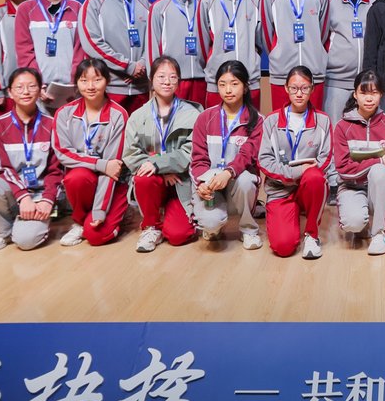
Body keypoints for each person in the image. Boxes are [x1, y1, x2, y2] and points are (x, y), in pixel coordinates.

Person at [0, 66, 62, 251]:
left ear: (40, 90)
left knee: (26, 241)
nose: (26, 92)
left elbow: (56, 169)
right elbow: (1, 168)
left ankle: (24, 225)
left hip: (40, 196)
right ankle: (3, 231)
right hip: (13, 194)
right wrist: (23, 197)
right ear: (10, 92)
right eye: (19, 87)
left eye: (32, 86)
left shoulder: (52, 124)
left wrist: (47, 199)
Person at [53, 57, 133, 247]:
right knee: (76, 177)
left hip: (113, 183)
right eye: (84, 80)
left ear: (107, 81)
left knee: (96, 237)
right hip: (85, 178)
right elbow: (63, 153)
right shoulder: (64, 113)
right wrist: (100, 164)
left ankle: (120, 214)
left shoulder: (118, 115)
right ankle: (79, 221)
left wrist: (100, 210)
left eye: (97, 80)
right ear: (76, 83)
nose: (90, 86)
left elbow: (113, 168)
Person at [126, 57, 201, 252]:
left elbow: (191, 151)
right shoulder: (138, 116)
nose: (167, 82)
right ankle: (151, 226)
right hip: (154, 181)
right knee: (143, 177)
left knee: (178, 236)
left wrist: (159, 164)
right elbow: (132, 154)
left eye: (172, 77)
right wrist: (161, 170)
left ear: (179, 81)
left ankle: (178, 216)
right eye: (161, 76)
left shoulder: (193, 114)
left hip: (180, 181)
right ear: (151, 79)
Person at [257, 66, 333, 258]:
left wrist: (307, 172)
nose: (299, 94)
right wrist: (297, 172)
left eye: (305, 88)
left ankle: (312, 235)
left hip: (308, 186)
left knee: (315, 177)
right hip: (280, 189)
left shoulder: (323, 121)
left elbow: (325, 159)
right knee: (283, 247)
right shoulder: (271, 121)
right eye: (294, 88)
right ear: (286, 88)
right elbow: (264, 160)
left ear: (312, 89)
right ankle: (290, 213)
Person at [330, 69, 385, 256]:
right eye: (364, 92)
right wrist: (379, 160)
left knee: (380, 172)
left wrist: (375, 172)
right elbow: (343, 169)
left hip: (383, 190)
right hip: (352, 187)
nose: (369, 98)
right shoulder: (342, 126)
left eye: (374, 93)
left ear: (381, 95)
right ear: (355, 94)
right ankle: (365, 220)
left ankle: (380, 233)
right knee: (353, 223)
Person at [188, 60, 264, 249]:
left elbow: (248, 155)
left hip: (237, 181)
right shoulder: (205, 118)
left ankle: (248, 229)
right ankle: (213, 226)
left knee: (246, 181)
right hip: (211, 182)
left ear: (245, 87)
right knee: (210, 225)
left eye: (234, 83)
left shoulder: (257, 120)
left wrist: (228, 172)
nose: (228, 90)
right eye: (222, 84)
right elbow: (198, 159)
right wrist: (201, 183)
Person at [261, 0, 332, 111]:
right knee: (282, 122)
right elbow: (267, 36)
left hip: (314, 73)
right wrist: (278, 53)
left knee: (313, 122)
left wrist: (315, 51)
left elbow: (323, 33)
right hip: (282, 74)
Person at [81, 0, 153, 114]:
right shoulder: (93, 4)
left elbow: (153, 38)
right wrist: (127, 66)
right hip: (111, 86)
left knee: (141, 131)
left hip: (141, 87)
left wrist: (142, 65)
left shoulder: (143, 2)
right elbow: (93, 44)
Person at [198, 0, 265, 108]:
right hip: (217, 83)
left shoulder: (255, 0)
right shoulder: (207, 1)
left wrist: (251, 60)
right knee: (216, 124)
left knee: (250, 123)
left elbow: (260, 42)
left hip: (249, 82)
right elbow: (202, 45)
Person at [15, 0, 86, 111]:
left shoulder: (76, 7)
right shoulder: (26, 9)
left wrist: (75, 82)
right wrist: (36, 83)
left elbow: (80, 49)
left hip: (72, 89)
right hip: (39, 89)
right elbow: (24, 51)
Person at [324, 0, 380, 124]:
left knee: (367, 134)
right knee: (336, 131)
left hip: (368, 84)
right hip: (335, 83)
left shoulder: (377, 1)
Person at [149, 0, 209, 106]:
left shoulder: (204, 5)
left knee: (199, 119)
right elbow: (152, 48)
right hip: (171, 81)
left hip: (201, 79)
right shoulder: (159, 7)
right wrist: (155, 81)